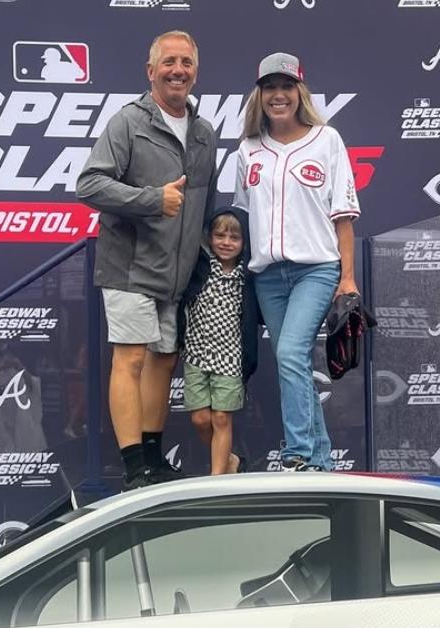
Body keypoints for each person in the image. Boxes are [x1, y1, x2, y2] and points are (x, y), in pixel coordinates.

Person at [76, 31, 218, 490]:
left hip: (176, 274)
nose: (178, 70)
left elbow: (205, 205)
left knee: (163, 360)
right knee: (132, 357)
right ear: (151, 71)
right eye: (169, 62)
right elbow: (90, 184)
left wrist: (201, 258)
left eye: (186, 63)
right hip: (130, 267)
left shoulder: (203, 132)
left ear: (196, 71)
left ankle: (154, 462)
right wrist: (152, 200)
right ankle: (134, 467)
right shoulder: (128, 122)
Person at [232, 52, 360, 472]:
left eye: (286, 86)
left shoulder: (326, 140)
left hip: (316, 269)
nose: (278, 95)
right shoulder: (248, 149)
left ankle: (298, 453)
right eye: (270, 87)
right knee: (295, 363)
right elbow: (243, 215)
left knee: (288, 352)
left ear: (299, 92)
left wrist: (347, 278)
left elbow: (343, 215)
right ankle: (321, 461)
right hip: (267, 275)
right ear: (260, 95)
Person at [179, 206, 259, 475]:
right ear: (209, 238)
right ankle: (230, 461)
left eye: (234, 238)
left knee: (222, 418)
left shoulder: (247, 278)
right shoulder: (199, 269)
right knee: (201, 419)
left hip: (230, 357)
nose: (226, 243)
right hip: (196, 354)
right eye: (220, 236)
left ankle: (217, 478)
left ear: (245, 242)